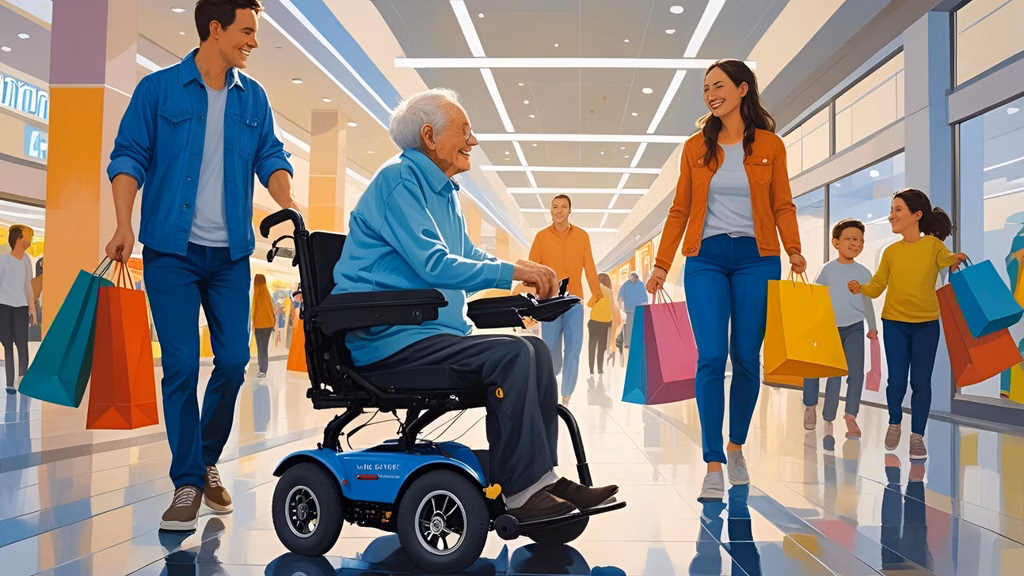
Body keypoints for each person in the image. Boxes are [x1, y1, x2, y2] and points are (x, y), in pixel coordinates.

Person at [332, 88, 617, 523]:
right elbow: (434, 263)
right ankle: (522, 492)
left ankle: (540, 479)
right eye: (464, 131)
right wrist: (514, 274)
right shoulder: (398, 181)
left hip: (431, 334)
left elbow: (470, 254)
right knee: (514, 354)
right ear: (429, 136)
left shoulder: (444, 190)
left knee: (535, 350)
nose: (473, 140)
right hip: (391, 338)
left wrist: (525, 268)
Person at [105, 0, 298, 531]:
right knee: (183, 366)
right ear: (215, 30)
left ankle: (205, 459)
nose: (253, 42)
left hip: (231, 256)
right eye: (246, 31)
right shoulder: (158, 90)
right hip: (171, 251)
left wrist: (287, 201)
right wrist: (123, 224)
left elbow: (271, 157)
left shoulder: (253, 98)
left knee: (234, 362)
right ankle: (188, 480)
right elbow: (128, 157)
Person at [646, 59, 806, 501]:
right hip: (706, 259)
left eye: (718, 85)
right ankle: (713, 461)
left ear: (742, 89)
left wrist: (793, 249)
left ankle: (737, 446)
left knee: (748, 358)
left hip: (758, 258)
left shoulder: (771, 144)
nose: (710, 94)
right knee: (712, 356)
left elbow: (783, 204)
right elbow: (679, 209)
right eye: (705, 88)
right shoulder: (695, 146)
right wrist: (662, 264)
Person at [849, 189, 967, 461]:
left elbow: (946, 261)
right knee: (897, 381)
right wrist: (861, 288)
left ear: (917, 215)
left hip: (926, 324)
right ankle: (894, 421)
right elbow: (879, 286)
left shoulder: (933, 246)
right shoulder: (890, 252)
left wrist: (955, 259)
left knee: (922, 382)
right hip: (894, 324)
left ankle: (917, 436)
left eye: (898, 209)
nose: (891, 215)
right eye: (892, 209)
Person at [803, 219, 878, 439]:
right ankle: (812, 407)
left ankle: (850, 415)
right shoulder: (828, 269)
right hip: (827, 327)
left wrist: (872, 327)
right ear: (836, 242)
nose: (856, 244)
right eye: (851, 239)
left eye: (860, 241)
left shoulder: (864, 273)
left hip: (854, 327)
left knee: (855, 374)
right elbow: (815, 297)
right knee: (822, 370)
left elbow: (867, 302)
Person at [528, 195, 603, 405]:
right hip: (549, 303)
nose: (559, 211)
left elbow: (589, 266)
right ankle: (555, 372)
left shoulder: (582, 236)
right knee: (550, 346)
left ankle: (566, 394)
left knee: (574, 348)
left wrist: (597, 294)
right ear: (550, 211)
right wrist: (531, 298)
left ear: (570, 210)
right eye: (555, 207)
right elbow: (532, 269)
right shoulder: (541, 237)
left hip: (574, 302)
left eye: (563, 207)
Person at [1, 225, 36, 393]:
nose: (30, 240)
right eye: (27, 237)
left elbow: (28, 286)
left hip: (21, 308)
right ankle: (9, 383)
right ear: (19, 239)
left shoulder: (27, 261)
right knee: (8, 344)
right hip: (4, 307)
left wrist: (33, 312)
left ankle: (23, 380)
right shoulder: (3, 260)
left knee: (22, 344)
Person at [587, 273, 614, 381]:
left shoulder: (597, 290)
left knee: (592, 346)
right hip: (605, 322)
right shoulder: (610, 292)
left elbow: (589, 304)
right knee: (602, 347)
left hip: (594, 322)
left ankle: (591, 369)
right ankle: (600, 369)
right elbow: (611, 308)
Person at [252, 274, 275, 378]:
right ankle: (263, 369)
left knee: (260, 348)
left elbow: (255, 308)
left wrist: (253, 324)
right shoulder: (266, 291)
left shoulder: (258, 290)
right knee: (264, 348)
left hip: (260, 324)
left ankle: (262, 370)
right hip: (268, 324)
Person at [617, 272, 648, 348]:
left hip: (638, 310)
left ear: (637, 277)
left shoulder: (640, 285)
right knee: (628, 328)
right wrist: (619, 307)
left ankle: (636, 343)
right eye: (632, 277)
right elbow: (620, 298)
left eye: (635, 277)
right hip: (629, 310)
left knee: (637, 327)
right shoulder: (625, 285)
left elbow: (645, 299)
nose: (634, 279)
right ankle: (627, 343)